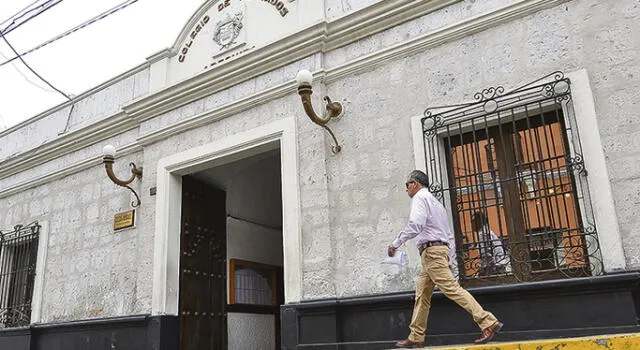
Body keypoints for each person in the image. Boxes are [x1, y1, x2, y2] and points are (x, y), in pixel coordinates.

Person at [388, 170, 503, 348]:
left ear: (416, 184)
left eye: (407, 184)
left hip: (432, 253)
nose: (406, 189)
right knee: (422, 295)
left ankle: (487, 321)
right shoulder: (436, 203)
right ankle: (416, 336)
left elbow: (415, 224)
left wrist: (396, 243)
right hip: (435, 253)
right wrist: (449, 257)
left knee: (452, 289)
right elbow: (448, 235)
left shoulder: (419, 198)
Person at [471, 211, 511, 276]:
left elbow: (487, 254)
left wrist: (485, 271)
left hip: (497, 268)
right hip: (500, 264)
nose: (472, 226)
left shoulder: (483, 234)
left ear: (478, 222)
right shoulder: (487, 231)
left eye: (473, 222)